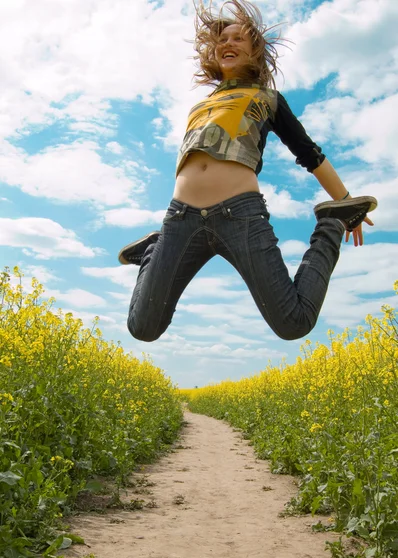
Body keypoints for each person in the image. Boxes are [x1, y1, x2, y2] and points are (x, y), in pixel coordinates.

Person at [119, 0, 377, 343]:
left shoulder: (267, 98)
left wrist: (345, 202)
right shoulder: (199, 106)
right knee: (142, 328)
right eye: (222, 39)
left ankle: (330, 222)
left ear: (256, 52)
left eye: (239, 38)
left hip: (239, 215)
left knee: (294, 323)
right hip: (179, 220)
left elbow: (310, 154)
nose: (228, 43)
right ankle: (153, 249)